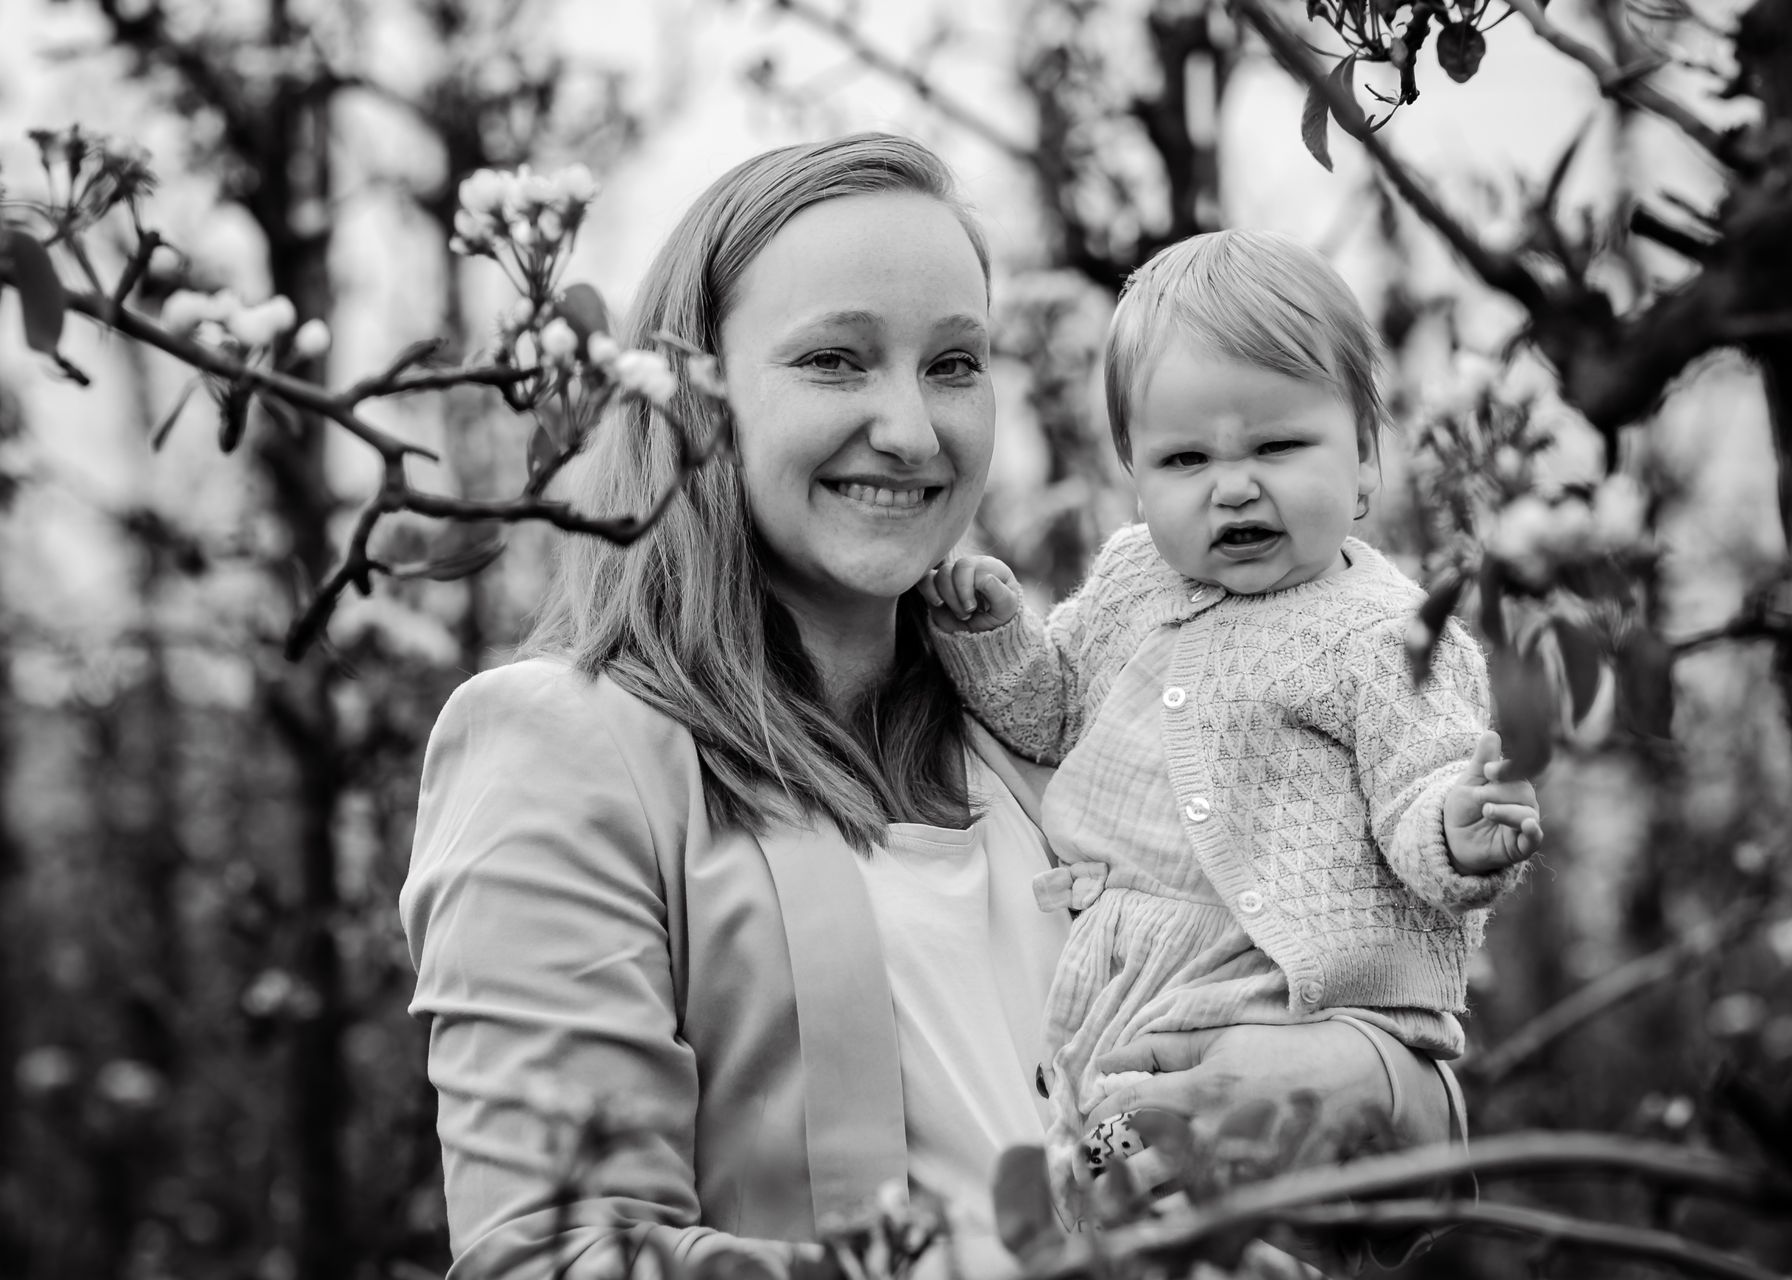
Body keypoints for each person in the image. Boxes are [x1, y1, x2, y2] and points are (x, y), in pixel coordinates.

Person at [402, 138, 1464, 1280]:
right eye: (836, 360)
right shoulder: (563, 746)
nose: (911, 429)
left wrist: (1357, 1080)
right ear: (696, 396)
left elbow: (1425, 1152)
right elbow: (550, 1255)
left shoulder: (1054, 724)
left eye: (954, 363)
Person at [920, 229, 1544, 1214]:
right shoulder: (1133, 577)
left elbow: (1422, 785)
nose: (1234, 483)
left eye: (1280, 445)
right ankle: (1077, 1213)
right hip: (1125, 962)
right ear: (1137, 478)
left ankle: (1079, 1208)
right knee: (1107, 1121)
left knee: (1138, 1138)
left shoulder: (1386, 633)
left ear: (1368, 459)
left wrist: (1459, 830)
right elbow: (1054, 711)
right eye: (1184, 458)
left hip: (1283, 981)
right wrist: (997, 637)